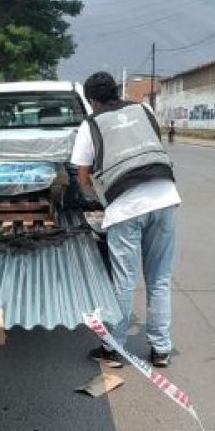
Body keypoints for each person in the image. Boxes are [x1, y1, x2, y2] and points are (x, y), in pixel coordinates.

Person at [71, 71, 180, 369]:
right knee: (159, 279)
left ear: (92, 100)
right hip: (166, 196)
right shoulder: (143, 109)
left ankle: (112, 349)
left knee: (123, 281)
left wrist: (98, 199)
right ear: (117, 92)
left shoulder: (91, 124)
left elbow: (82, 175)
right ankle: (160, 349)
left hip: (127, 207)